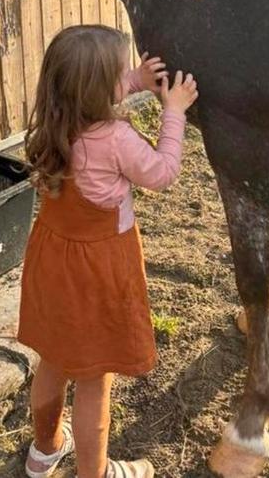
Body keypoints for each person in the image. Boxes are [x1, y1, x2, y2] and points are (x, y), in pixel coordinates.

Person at [17, 24, 198, 478]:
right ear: (100, 91)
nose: (127, 80)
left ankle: (44, 451)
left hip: (52, 262)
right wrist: (172, 112)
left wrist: (136, 78)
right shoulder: (116, 139)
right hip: (98, 270)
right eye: (120, 75)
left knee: (53, 361)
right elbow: (161, 173)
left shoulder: (54, 123)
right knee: (95, 381)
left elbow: (89, 90)